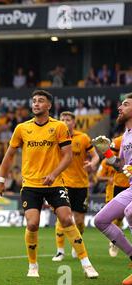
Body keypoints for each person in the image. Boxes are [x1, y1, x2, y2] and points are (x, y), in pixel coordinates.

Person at [0, 89, 99, 278]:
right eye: (34, 100)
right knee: (33, 224)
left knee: (67, 219)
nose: (36, 104)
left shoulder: (59, 127)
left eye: (40, 101)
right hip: (31, 185)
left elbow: (67, 157)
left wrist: (53, 174)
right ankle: (33, 266)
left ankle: (86, 263)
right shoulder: (22, 128)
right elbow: (9, 156)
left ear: (49, 106)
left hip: (55, 183)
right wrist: (1, 180)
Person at [92, 93, 132, 285]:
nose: (120, 108)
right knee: (100, 220)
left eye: (125, 104)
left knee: (130, 212)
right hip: (131, 187)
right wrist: (106, 152)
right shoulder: (125, 136)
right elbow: (121, 165)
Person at [52, 111, 99, 261]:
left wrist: (92, 163)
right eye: (62, 119)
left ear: (73, 122)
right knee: (61, 217)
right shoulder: (55, 138)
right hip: (62, 183)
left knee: (79, 221)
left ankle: (75, 245)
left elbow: (96, 156)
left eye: (68, 119)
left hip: (81, 184)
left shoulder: (83, 138)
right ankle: (60, 251)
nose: (65, 121)